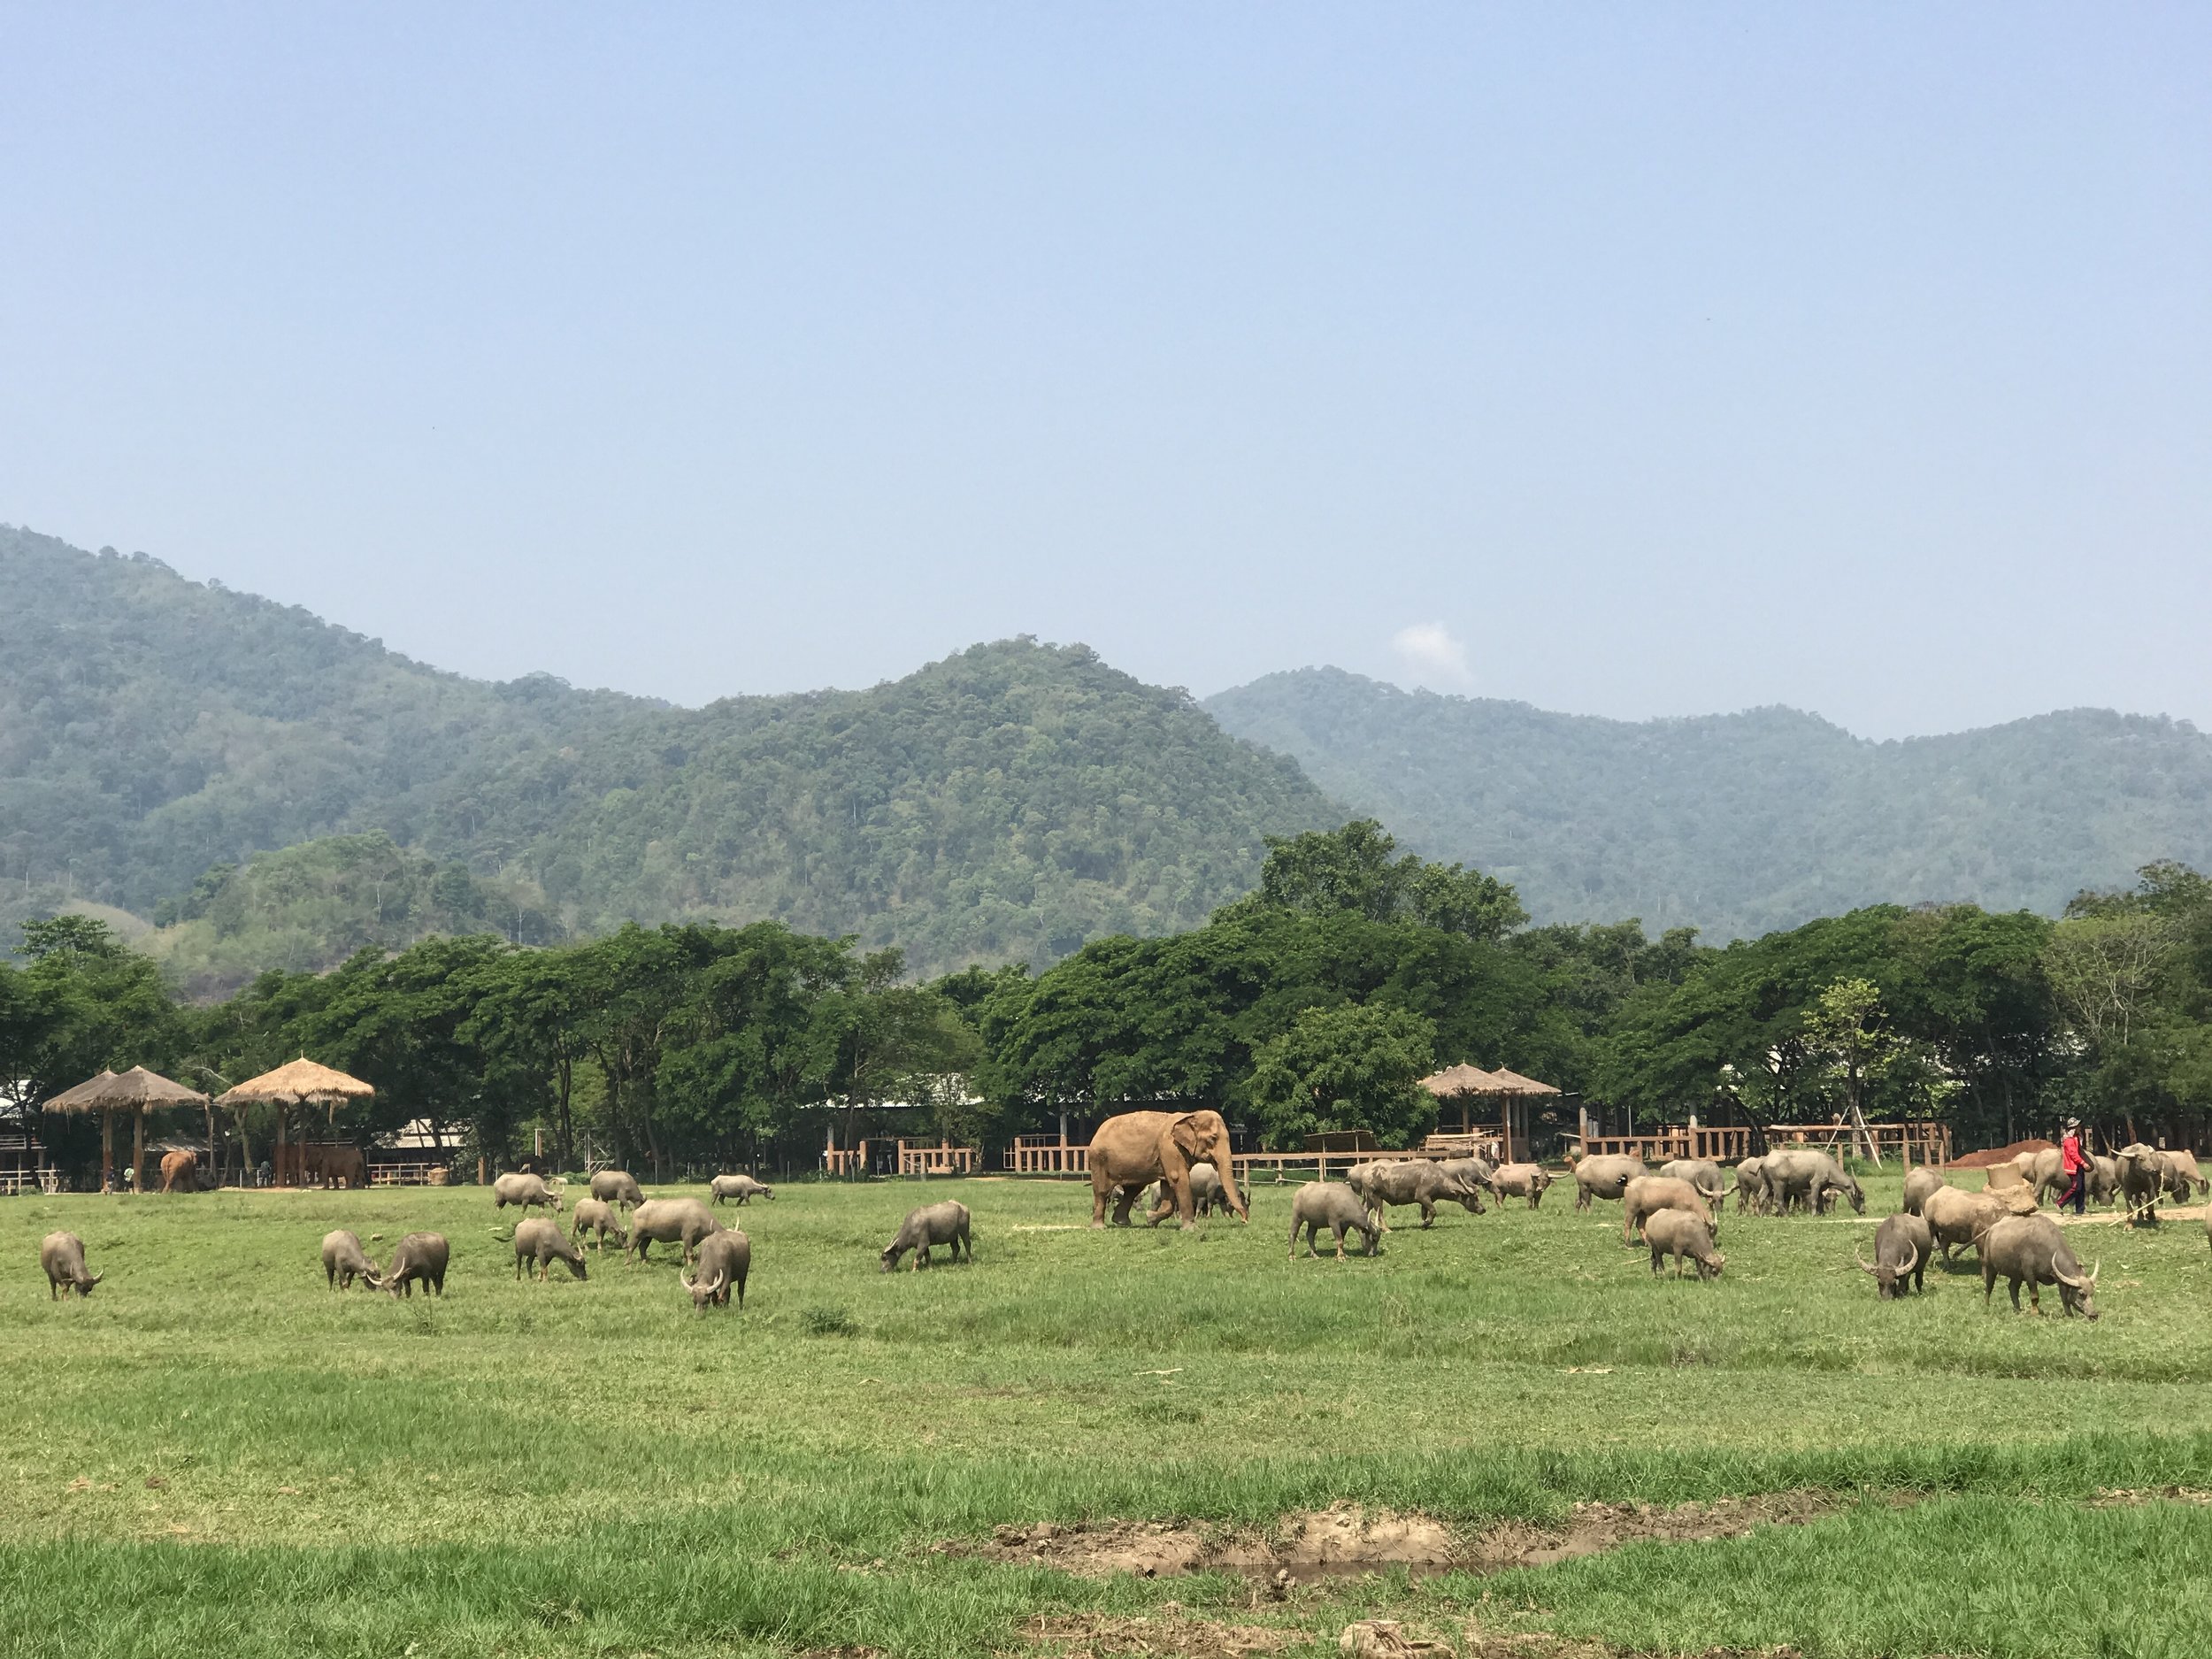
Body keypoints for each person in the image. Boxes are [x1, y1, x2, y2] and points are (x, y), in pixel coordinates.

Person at [2059, 1118, 2090, 1216]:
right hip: (2073, 1167)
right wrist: (2083, 1163)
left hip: (2078, 1166)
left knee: (2082, 1188)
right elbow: (2073, 1155)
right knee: (2076, 1188)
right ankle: (2060, 1203)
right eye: (2078, 1126)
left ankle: (2080, 1210)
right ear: (2073, 1128)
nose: (2079, 1128)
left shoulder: (2075, 1139)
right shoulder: (2069, 1141)